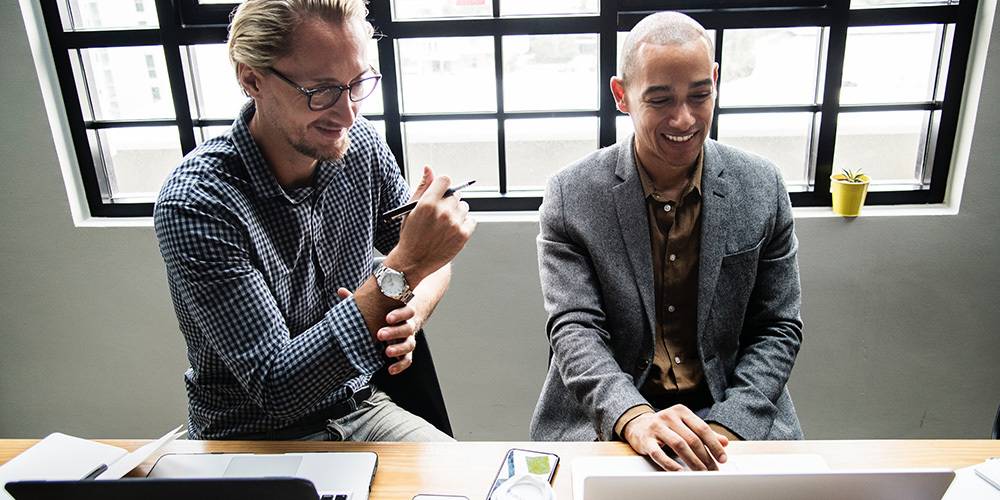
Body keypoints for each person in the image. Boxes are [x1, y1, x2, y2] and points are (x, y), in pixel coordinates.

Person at [153, 0, 475, 441]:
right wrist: (405, 267)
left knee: (471, 483)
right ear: (252, 79)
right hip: (250, 435)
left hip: (361, 405)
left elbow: (427, 259)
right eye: (320, 91)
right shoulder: (197, 203)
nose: (347, 114)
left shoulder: (358, 145)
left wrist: (411, 314)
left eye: (357, 84)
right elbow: (278, 389)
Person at [530, 11, 804, 470]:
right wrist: (633, 416)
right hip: (615, 414)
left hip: (732, 411)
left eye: (700, 95)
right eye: (660, 100)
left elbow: (778, 326)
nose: (685, 118)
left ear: (716, 80)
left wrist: (723, 429)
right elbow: (574, 329)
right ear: (622, 95)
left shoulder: (762, 185)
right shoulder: (570, 195)